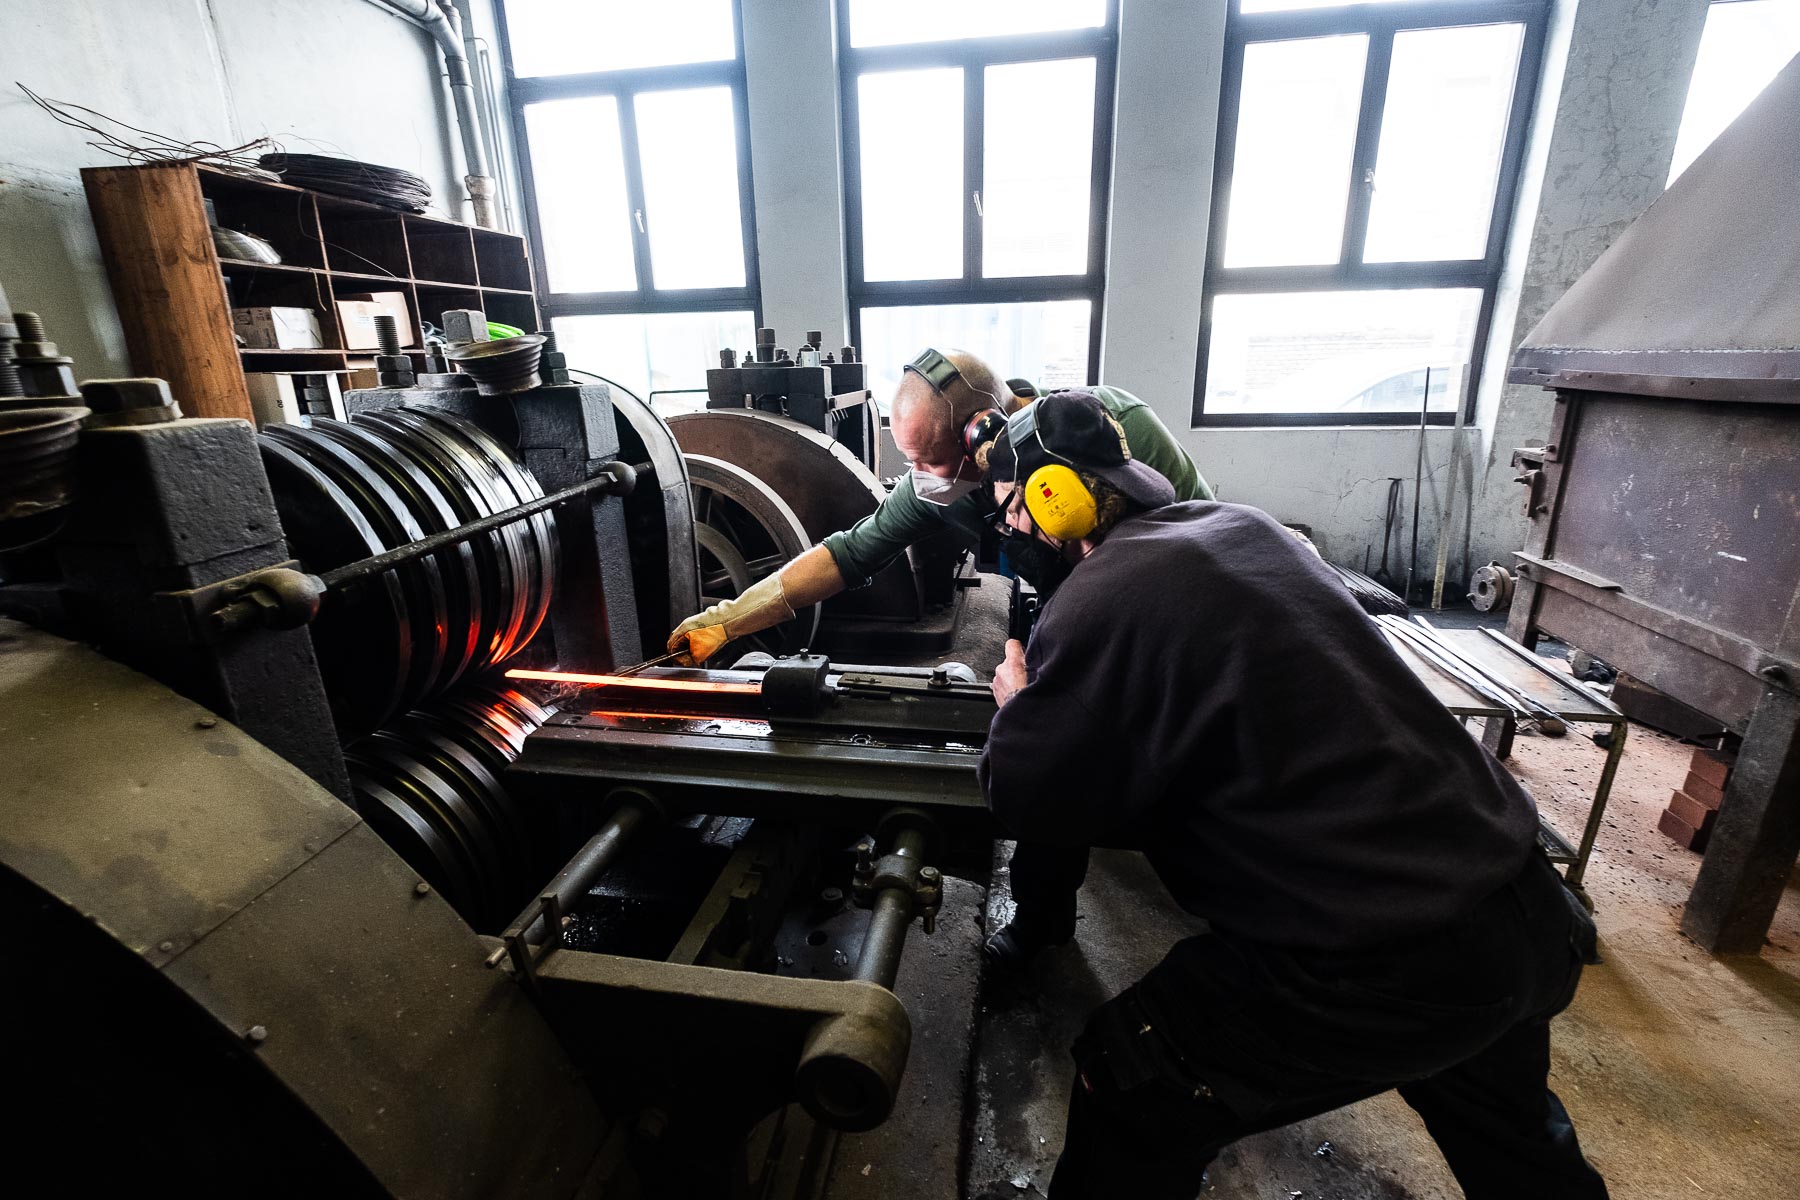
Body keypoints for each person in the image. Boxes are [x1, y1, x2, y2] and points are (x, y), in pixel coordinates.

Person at [978, 390, 1608, 1199]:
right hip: (1518, 908)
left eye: (1011, 512)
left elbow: (1026, 796)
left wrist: (1016, 704)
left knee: (1132, 1074)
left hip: (1379, 958)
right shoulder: (1244, 525)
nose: (1009, 535)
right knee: (1512, 1138)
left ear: (1051, 501)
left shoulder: (1099, 600)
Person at [668, 348, 1213, 968]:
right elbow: (851, 552)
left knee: (1145, 752)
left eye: (929, 458)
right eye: (910, 461)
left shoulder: (1118, 429)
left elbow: (1192, 536)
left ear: (982, 431)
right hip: (1060, 596)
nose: (920, 476)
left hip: (1146, 595)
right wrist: (729, 618)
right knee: (1043, 738)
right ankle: (1043, 918)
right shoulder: (942, 482)